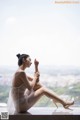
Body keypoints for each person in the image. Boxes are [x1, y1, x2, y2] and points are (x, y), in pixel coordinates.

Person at [7, 53, 74, 114]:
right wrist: (35, 77)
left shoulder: (19, 72)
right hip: (21, 106)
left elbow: (36, 81)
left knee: (38, 85)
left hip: (19, 104)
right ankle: (63, 102)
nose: (31, 62)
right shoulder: (21, 73)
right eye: (29, 60)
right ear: (24, 60)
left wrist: (36, 66)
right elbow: (30, 87)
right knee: (43, 90)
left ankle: (56, 99)